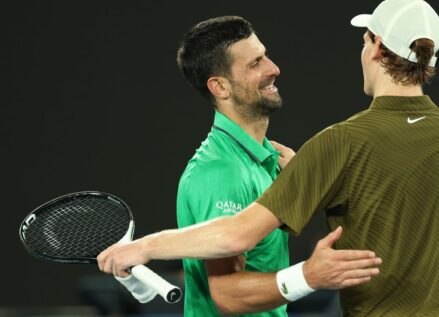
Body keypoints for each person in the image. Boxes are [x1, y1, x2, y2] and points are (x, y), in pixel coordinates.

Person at [98, 1, 439, 315]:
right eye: (256, 62)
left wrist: (145, 247)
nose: (274, 68)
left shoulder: (337, 145)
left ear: (374, 46)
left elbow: (237, 234)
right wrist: (308, 266)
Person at [112, 16, 381, 317]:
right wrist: (307, 276)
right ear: (220, 87)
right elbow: (229, 296)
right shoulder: (221, 173)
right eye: (255, 64)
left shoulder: (269, 159)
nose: (273, 68)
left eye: (265, 55)